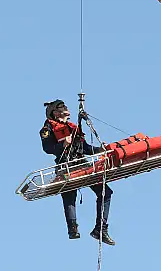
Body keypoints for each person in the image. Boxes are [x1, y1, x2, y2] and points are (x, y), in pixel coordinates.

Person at [40, 99, 114, 245]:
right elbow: (47, 148)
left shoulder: (73, 128)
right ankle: (72, 228)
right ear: (55, 112)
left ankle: (101, 228)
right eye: (62, 107)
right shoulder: (47, 128)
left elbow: (85, 148)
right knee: (69, 194)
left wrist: (100, 149)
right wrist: (62, 144)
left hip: (81, 163)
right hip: (66, 165)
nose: (66, 108)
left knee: (105, 191)